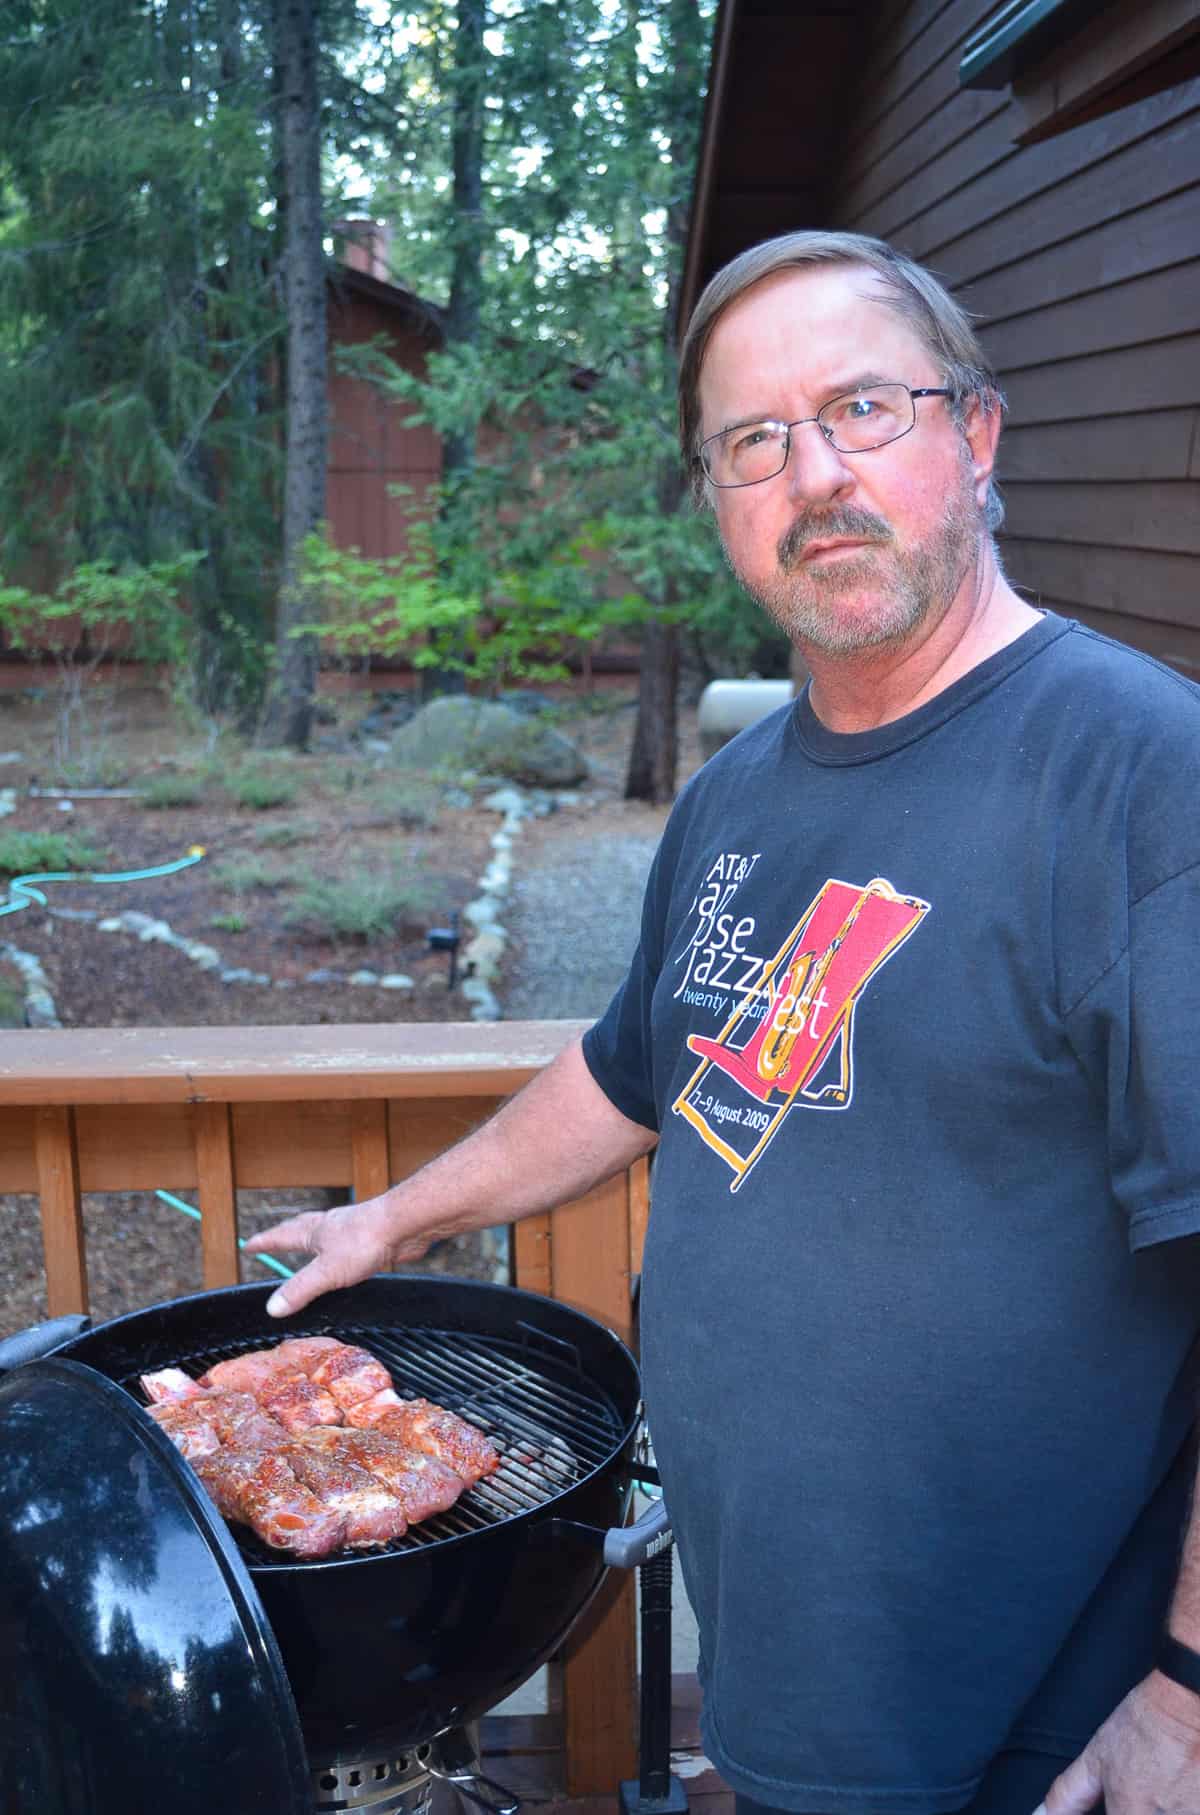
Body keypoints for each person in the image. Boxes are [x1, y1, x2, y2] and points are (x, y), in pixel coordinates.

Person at [246, 231, 1200, 1815]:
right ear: (716, 503)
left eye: (864, 409)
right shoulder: (739, 799)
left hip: (1040, 1719)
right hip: (793, 1669)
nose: (813, 473)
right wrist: (394, 1220)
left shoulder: (1136, 779)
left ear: (976, 433)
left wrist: (1187, 1693)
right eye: (752, 442)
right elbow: (636, 1071)